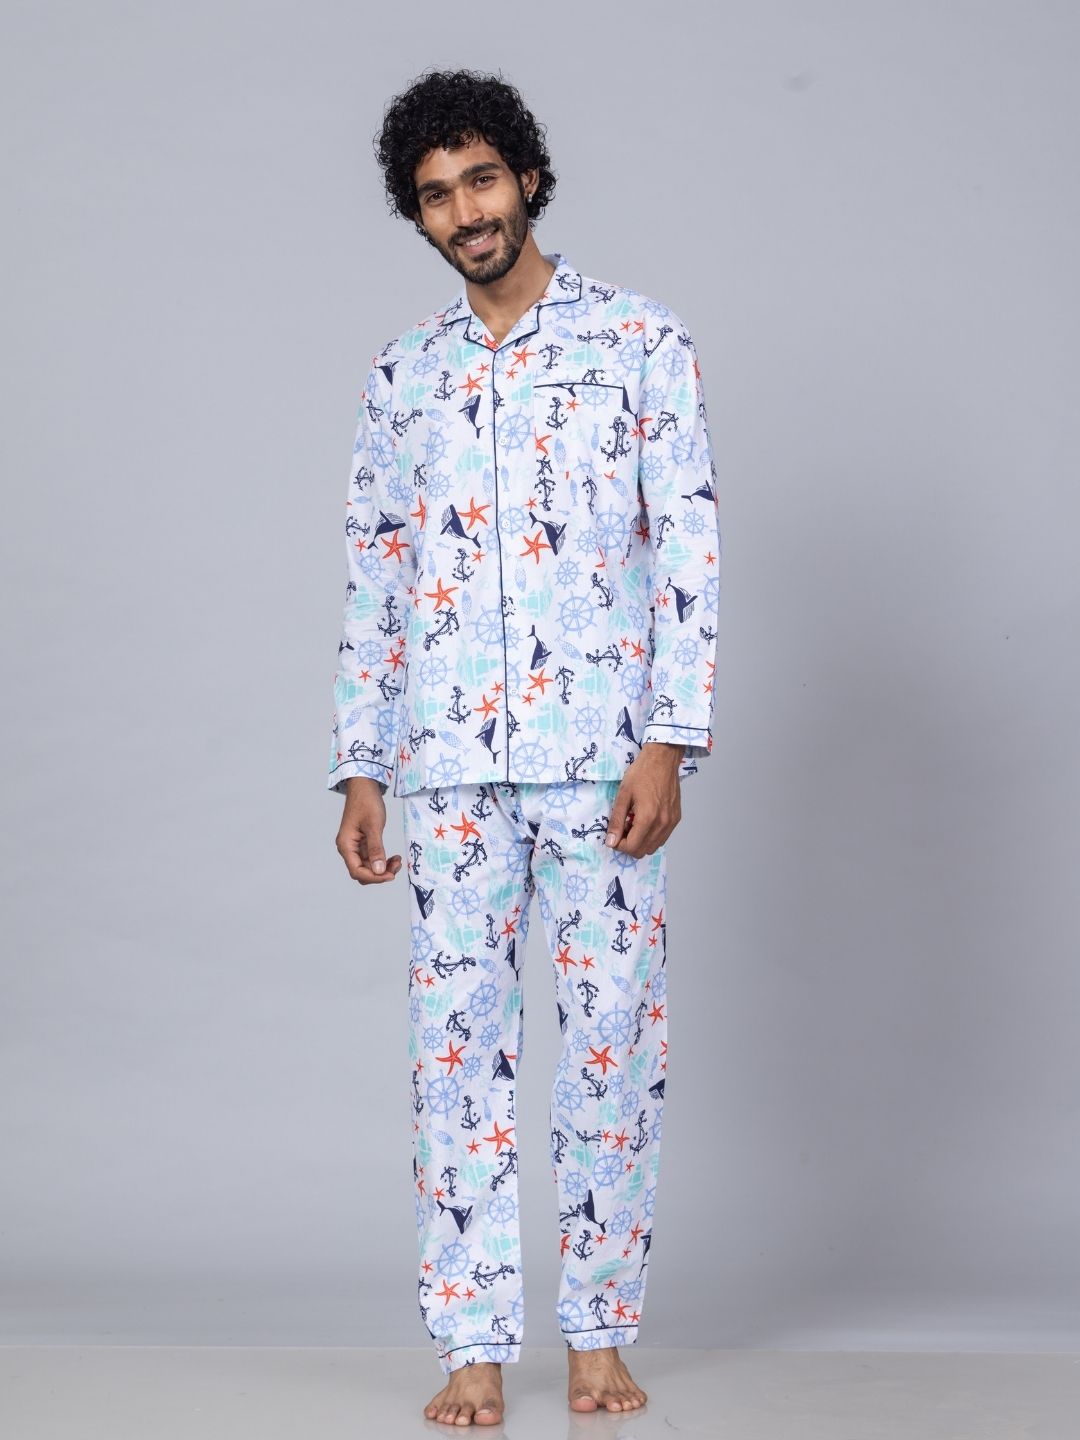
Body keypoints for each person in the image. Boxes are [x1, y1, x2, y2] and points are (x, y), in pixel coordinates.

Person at [327, 67, 721, 1427]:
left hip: (602, 759)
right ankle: (472, 1345)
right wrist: (362, 765)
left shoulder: (639, 342)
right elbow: (377, 576)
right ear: (420, 216)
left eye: (482, 179)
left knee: (612, 1043)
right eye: (437, 195)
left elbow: (689, 546)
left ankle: (599, 1331)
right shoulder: (406, 376)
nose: (465, 210)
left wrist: (669, 740)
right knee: (456, 1057)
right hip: (445, 767)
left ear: (529, 180)